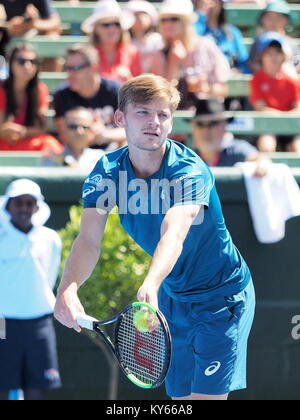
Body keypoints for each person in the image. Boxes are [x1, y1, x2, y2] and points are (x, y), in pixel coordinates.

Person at [54, 74, 256, 401]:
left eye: (163, 114)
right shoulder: (106, 172)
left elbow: (174, 232)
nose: (155, 122)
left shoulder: (189, 170)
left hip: (221, 296)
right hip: (173, 298)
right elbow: (88, 239)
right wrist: (68, 288)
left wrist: (151, 283)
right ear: (119, 118)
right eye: (143, 112)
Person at [0, 179, 62, 401]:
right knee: (2, 387)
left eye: (29, 203)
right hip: (2, 322)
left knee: (38, 389)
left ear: (37, 207)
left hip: (39, 322)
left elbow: (51, 276)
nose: (24, 208)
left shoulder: (51, 239)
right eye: (18, 203)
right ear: (9, 206)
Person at [152, 0, 230, 110]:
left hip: (203, 114)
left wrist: (206, 88)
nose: (168, 24)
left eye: (174, 19)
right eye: (164, 20)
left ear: (186, 22)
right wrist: (173, 64)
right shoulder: (158, 52)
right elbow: (160, 98)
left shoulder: (206, 46)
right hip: (170, 116)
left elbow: (223, 90)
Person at [53, 44, 126, 151]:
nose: (70, 74)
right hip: (78, 154)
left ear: (93, 68)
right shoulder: (62, 95)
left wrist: (104, 135)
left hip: (113, 151)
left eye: (76, 68)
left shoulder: (116, 91)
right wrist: (92, 134)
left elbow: (131, 130)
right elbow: (65, 136)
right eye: (67, 68)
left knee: (125, 144)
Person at [0, 43, 63, 153]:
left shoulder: (40, 89)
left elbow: (41, 127)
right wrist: (8, 130)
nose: (27, 66)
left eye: (33, 62)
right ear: (11, 64)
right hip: (3, 141)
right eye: (21, 61)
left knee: (49, 144)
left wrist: (22, 131)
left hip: (26, 141)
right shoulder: (2, 89)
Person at [191, 98, 270, 176]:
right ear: (193, 127)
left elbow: (259, 158)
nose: (206, 130)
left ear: (224, 126)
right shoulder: (188, 155)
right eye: (200, 124)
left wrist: (262, 165)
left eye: (212, 123)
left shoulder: (236, 149)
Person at [249, 32, 300, 152]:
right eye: (269, 53)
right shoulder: (256, 80)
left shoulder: (291, 81)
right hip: (267, 126)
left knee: (297, 148)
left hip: (290, 127)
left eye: (278, 53)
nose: (274, 57)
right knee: (266, 146)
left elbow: (298, 108)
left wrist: (283, 119)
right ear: (261, 57)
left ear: (284, 56)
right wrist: (285, 116)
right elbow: (261, 109)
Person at [81, 0, 142, 84]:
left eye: (116, 24)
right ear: (96, 29)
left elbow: (138, 89)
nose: (112, 28)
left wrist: (129, 79)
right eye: (106, 24)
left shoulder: (132, 52)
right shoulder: (86, 54)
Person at [0, 0, 61, 71]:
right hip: (5, 41)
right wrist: (9, 26)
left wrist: (33, 24)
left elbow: (55, 22)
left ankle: (48, 81)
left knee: (52, 38)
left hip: (32, 36)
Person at [194, 0, 249, 74]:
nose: (210, 4)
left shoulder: (232, 32)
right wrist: (200, 14)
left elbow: (244, 64)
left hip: (228, 78)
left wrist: (237, 71)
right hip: (202, 77)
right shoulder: (195, 29)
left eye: (215, 1)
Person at [248, 0, 300, 77]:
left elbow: (296, 67)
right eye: (269, 17)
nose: (273, 22)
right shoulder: (258, 43)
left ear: (286, 21)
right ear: (262, 19)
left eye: (278, 18)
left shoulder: (291, 44)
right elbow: (253, 65)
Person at [125, 0, 163, 74]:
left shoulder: (156, 39)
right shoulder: (125, 41)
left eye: (144, 15)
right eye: (136, 15)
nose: (140, 18)